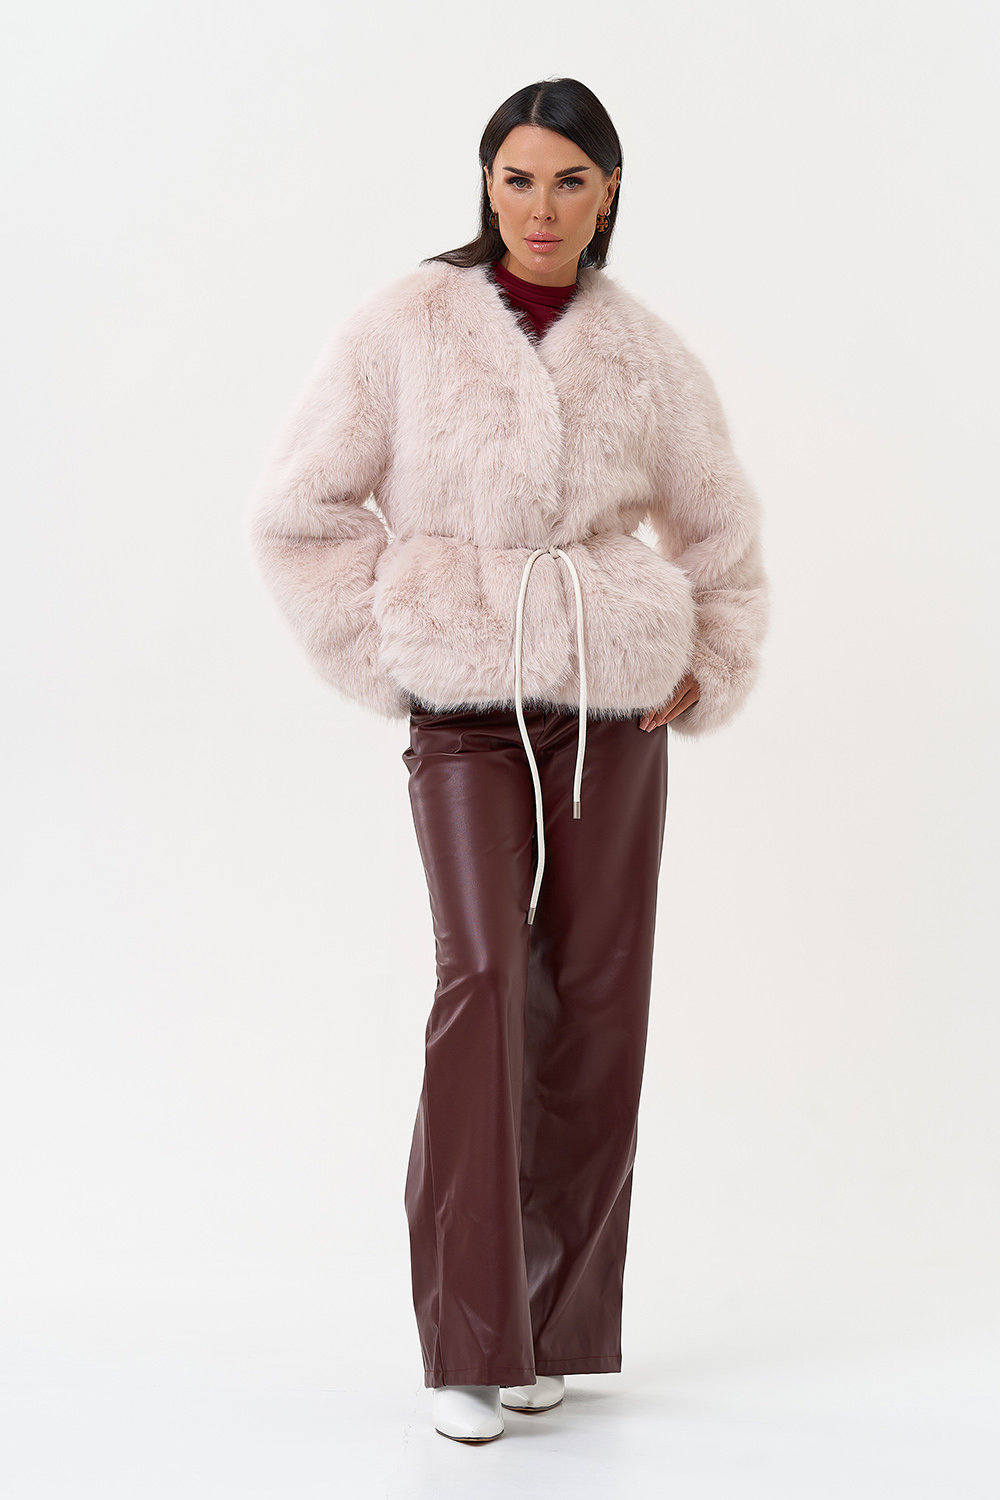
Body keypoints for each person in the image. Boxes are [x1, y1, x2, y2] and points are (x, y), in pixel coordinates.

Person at [246, 77, 769, 1445]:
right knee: (482, 978)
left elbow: (720, 529)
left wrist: (710, 660)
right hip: (466, 709)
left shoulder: (646, 352)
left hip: (610, 708)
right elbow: (298, 510)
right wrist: (398, 639)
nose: (541, 208)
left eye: (570, 180)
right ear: (487, 185)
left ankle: (548, 1322)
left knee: (594, 1000)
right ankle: (470, 1340)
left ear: (609, 194)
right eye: (518, 178)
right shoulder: (406, 323)